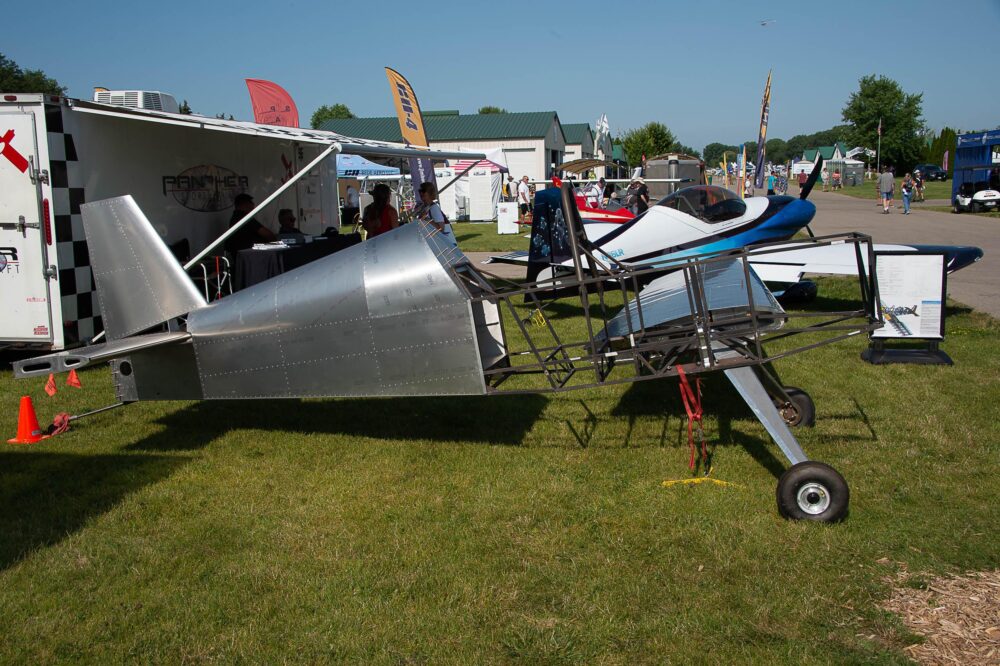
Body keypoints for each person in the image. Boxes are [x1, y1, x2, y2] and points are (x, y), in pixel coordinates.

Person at [415, 181, 456, 246]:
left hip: (444, 245)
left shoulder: (434, 208)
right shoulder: (424, 207)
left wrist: (426, 218)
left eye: (423, 192)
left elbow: (441, 229)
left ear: (430, 194)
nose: (421, 194)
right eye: (420, 191)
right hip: (434, 243)